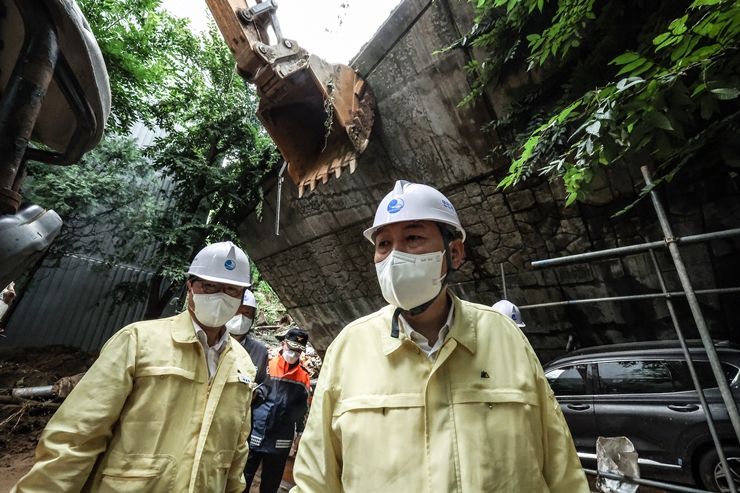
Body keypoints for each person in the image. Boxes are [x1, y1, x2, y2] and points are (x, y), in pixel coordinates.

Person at [291, 180, 588, 492]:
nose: (395, 257)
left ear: (455, 252)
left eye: (413, 237)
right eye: (384, 244)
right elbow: (315, 481)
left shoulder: (505, 338)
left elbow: (561, 468)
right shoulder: (349, 348)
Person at [11, 241, 257, 493]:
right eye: (210, 286)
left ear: (241, 298)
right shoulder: (138, 341)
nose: (220, 297)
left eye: (231, 290)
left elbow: (236, 453)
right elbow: (77, 436)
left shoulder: (242, 365)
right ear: (190, 287)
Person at [245, 328, 311, 493]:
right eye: (291, 348)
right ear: (283, 344)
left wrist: (300, 436)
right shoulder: (267, 365)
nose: (293, 353)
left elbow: (302, 411)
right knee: (242, 479)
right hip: (256, 433)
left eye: (298, 350)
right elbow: (249, 397)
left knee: (271, 484)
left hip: (280, 441)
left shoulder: (303, 377)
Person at [227, 289, 269, 384]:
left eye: (247, 313)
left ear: (252, 318)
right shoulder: (212, 342)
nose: (241, 317)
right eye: (237, 311)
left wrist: (258, 392)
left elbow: (265, 384)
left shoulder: (260, 352)